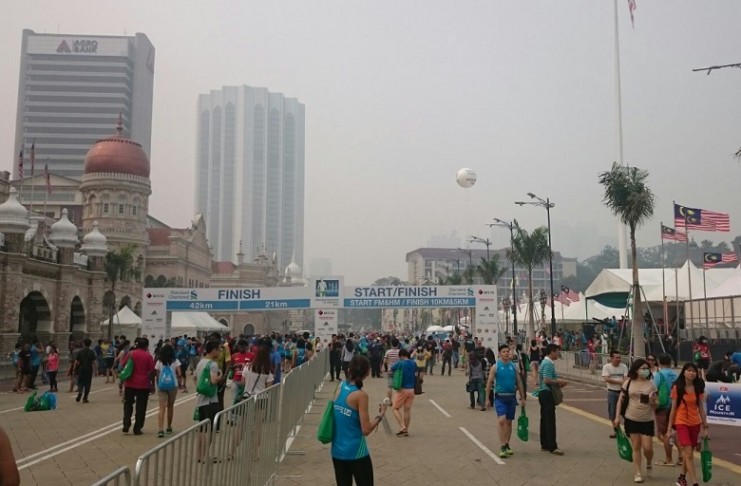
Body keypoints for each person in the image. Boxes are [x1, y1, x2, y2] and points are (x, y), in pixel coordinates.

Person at [331, 354, 388, 486]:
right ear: (367, 372)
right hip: (356, 452)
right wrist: (380, 415)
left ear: (349, 369)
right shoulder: (360, 395)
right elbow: (366, 430)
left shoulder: (339, 386)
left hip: (337, 451)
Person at [613, 358, 657, 484]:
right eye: (643, 368)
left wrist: (652, 400)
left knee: (647, 448)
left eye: (647, 368)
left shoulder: (651, 384)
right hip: (631, 418)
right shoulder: (628, 383)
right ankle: (637, 472)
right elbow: (620, 400)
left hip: (647, 419)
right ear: (636, 370)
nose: (646, 370)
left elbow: (656, 405)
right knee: (636, 446)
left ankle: (649, 461)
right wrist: (617, 417)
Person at [668, 363, 708, 486]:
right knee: (689, 454)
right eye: (689, 370)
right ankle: (695, 483)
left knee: (688, 453)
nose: (691, 373)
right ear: (684, 372)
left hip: (695, 423)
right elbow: (673, 409)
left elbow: (701, 407)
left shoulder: (698, 387)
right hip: (681, 422)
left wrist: (705, 427)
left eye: (693, 371)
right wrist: (669, 428)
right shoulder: (677, 387)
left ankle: (681, 478)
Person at [484, 344, 526, 458]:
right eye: (504, 351)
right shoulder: (496, 366)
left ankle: (507, 444)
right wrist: (487, 399)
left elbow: (519, 382)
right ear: (499, 353)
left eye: (507, 351)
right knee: (502, 420)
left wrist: (522, 397)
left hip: (511, 397)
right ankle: (502, 446)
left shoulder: (513, 366)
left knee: (509, 422)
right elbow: (489, 382)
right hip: (500, 397)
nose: (506, 353)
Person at [535, 344, 566, 455]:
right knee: (550, 420)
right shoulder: (548, 364)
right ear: (552, 352)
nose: (558, 354)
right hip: (547, 393)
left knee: (544, 419)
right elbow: (547, 380)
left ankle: (545, 444)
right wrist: (559, 381)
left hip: (543, 393)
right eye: (557, 351)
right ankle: (553, 446)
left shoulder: (545, 362)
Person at [194, 340, 222, 463]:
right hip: (210, 400)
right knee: (209, 430)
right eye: (219, 349)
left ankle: (199, 455)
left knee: (201, 429)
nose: (220, 352)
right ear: (214, 350)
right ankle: (205, 456)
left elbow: (195, 378)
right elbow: (214, 380)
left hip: (201, 399)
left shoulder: (201, 362)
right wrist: (221, 376)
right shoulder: (213, 364)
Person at [122, 337, 155, 435]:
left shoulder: (130, 353)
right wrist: (152, 384)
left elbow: (123, 364)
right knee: (141, 407)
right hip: (143, 384)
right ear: (146, 346)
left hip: (130, 383)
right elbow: (152, 371)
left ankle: (126, 423)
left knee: (128, 404)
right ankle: (137, 428)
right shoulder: (148, 356)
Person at [653, 353, 679, 466]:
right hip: (674, 405)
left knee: (665, 433)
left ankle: (669, 459)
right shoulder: (675, 374)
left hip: (662, 406)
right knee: (673, 431)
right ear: (670, 362)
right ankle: (681, 456)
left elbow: (653, 389)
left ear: (659, 362)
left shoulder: (659, 375)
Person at [155, 343, 181, 438]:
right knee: (170, 406)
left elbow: (157, 375)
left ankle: (160, 429)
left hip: (162, 385)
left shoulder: (159, 362)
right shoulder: (175, 361)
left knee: (161, 407)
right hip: (173, 385)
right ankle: (169, 426)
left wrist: (158, 384)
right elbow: (179, 373)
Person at [390, 349, 416, 437]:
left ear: (401, 355)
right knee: (407, 410)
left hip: (402, 389)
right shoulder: (413, 363)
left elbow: (391, 369)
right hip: (412, 390)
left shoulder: (400, 363)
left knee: (395, 408)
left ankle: (402, 426)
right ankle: (406, 430)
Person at [601, 350, 628, 438]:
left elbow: (626, 378)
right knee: (612, 412)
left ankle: (628, 430)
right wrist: (620, 382)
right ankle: (617, 431)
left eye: (619, 357)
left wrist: (622, 383)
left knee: (626, 412)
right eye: (616, 357)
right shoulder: (606, 367)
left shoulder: (624, 366)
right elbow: (607, 379)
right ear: (611, 358)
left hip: (623, 392)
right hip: (612, 392)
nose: (618, 359)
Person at [74, 338, 97, 403]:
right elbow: (94, 362)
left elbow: (76, 361)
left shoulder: (80, 351)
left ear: (84, 343)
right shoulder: (91, 352)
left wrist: (74, 369)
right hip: (89, 369)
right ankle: (85, 398)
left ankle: (80, 391)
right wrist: (96, 370)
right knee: (88, 383)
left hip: (81, 368)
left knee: (80, 382)